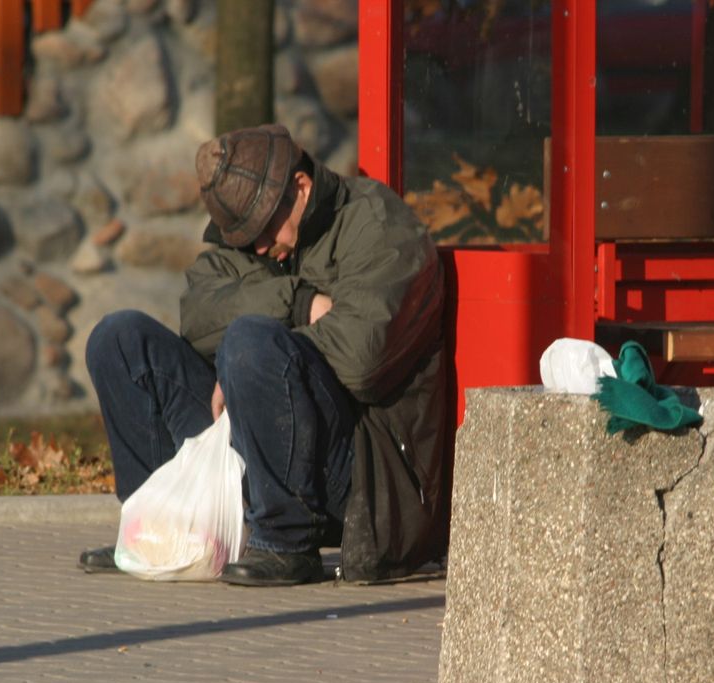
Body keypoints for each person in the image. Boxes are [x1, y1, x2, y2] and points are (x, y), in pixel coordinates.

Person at [79, 123, 449, 586]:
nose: (256, 245)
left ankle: (286, 542)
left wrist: (255, 360)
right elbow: (198, 310)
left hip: (359, 474)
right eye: (242, 236)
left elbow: (362, 360)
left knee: (249, 342)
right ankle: (155, 529)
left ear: (301, 186)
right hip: (263, 443)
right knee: (119, 339)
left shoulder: (376, 226)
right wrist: (297, 303)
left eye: (263, 228)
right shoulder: (254, 239)